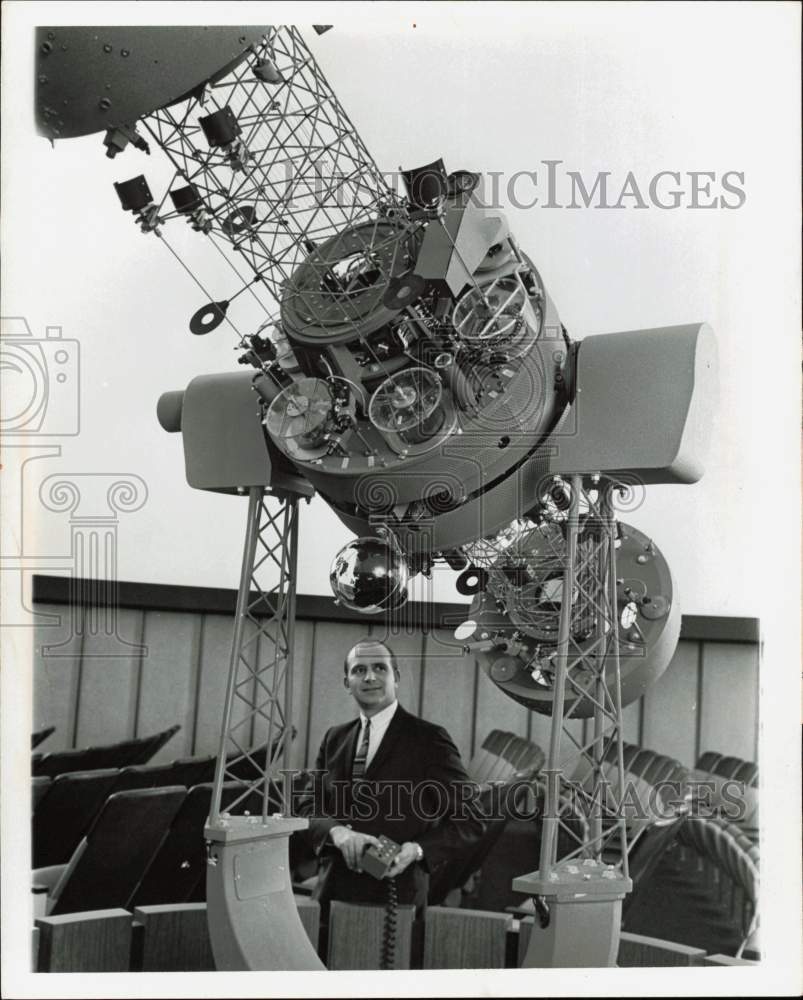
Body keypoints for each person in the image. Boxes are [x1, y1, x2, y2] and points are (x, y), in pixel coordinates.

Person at [295, 638, 485, 912]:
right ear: (347, 683)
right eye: (359, 670)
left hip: (399, 896)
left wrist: (417, 850)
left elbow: (471, 820)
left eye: (379, 668)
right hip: (332, 890)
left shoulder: (429, 740)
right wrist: (338, 833)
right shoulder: (335, 738)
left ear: (396, 677)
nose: (370, 677)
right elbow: (306, 806)